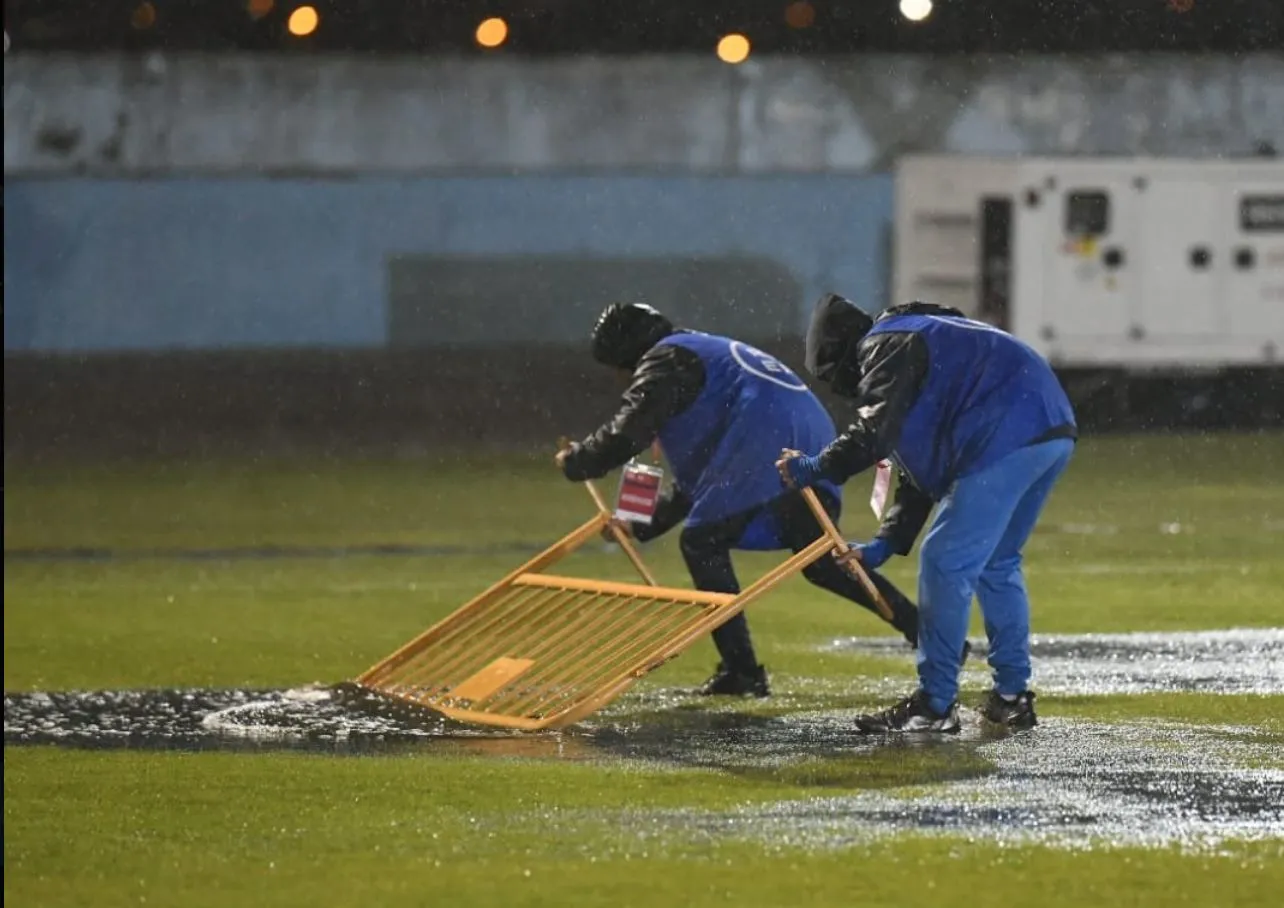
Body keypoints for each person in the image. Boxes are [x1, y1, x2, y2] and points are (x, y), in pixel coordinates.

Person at [556, 302, 921, 697]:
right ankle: (927, 633)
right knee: (824, 564)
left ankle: (742, 672)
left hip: (766, 445)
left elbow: (629, 433)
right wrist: (641, 523)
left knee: (703, 541)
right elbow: (704, 478)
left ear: (627, 355)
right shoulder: (703, 357)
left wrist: (580, 461)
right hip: (811, 448)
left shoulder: (666, 361)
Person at [778, 294, 1076, 733]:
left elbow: (872, 436)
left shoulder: (885, 344)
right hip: (1052, 428)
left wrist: (813, 467)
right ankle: (1012, 697)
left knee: (944, 561)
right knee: (997, 563)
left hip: (1007, 430)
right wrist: (884, 545)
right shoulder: (924, 335)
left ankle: (935, 704)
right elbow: (918, 472)